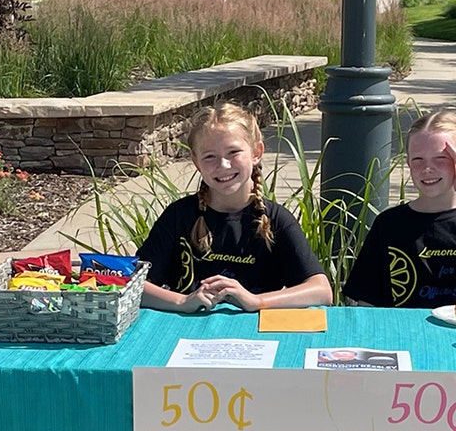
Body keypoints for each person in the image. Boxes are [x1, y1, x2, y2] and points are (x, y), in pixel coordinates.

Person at [135, 102, 333, 313]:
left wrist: (256, 301)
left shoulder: (275, 219)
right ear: (196, 162)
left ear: (256, 152)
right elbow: (133, 285)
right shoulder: (179, 216)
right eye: (210, 156)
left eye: (233, 152)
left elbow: (321, 291)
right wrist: (183, 302)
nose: (224, 165)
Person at [343, 109, 456, 308]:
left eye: (440, 159)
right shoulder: (389, 224)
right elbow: (367, 299)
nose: (427, 168)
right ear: (408, 162)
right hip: (405, 333)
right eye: (418, 160)